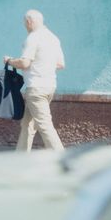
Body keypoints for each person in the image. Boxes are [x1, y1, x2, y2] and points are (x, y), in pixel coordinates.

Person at [4, 9, 65, 152]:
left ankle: (63, 160)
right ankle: (21, 158)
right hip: (49, 87)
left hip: (36, 88)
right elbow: (61, 64)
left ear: (29, 21)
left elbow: (25, 63)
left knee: (45, 125)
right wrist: (42, 65)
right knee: (28, 125)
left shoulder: (33, 37)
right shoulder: (53, 38)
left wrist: (10, 61)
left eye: (25, 24)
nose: (25, 26)